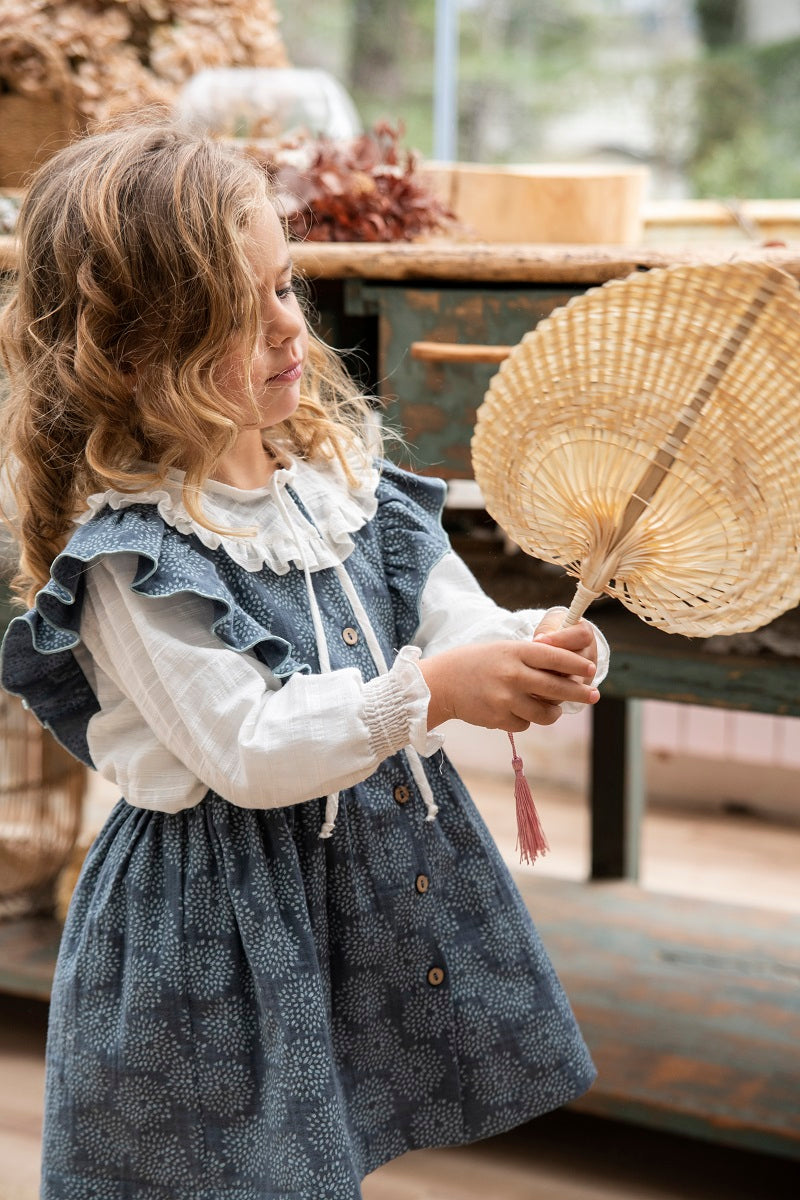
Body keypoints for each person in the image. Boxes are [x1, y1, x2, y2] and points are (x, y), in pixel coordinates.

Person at [0, 122, 608, 1200]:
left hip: (346, 885)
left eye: (284, 286)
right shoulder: (131, 557)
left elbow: (446, 618)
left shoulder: (334, 480)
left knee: (323, 1148)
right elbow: (246, 747)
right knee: (228, 1169)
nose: (289, 327)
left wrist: (523, 651)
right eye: (242, 313)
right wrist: (432, 695)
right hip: (213, 923)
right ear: (136, 354)